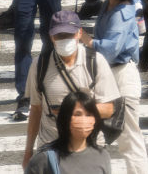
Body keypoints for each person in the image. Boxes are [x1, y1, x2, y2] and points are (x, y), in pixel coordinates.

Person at [23, 10, 119, 169]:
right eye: (59, 36)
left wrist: (72, 113)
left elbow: (109, 109)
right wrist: (28, 152)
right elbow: (36, 108)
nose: (64, 40)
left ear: (79, 33)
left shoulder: (95, 62)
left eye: (69, 35)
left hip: (89, 145)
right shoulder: (39, 65)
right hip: (51, 147)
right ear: (51, 37)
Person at [78, 0, 148, 174]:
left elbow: (111, 49)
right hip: (105, 74)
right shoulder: (107, 5)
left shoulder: (124, 11)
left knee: (129, 138)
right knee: (95, 134)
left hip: (122, 74)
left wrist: (87, 40)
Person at [23, 91, 112, 174]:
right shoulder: (44, 160)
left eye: (89, 115)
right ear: (65, 119)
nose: (84, 119)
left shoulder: (102, 156)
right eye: (77, 114)